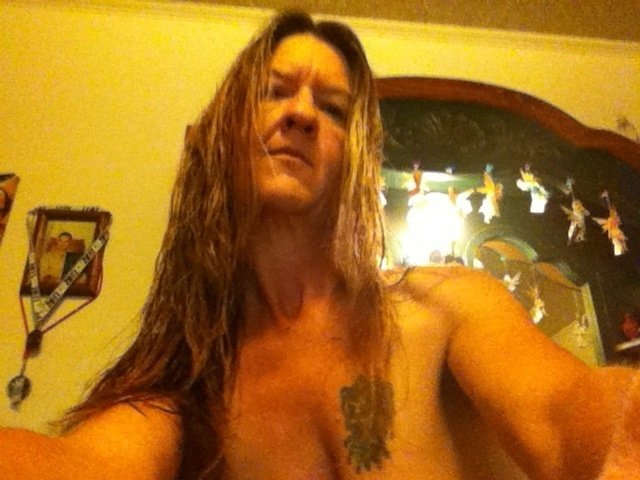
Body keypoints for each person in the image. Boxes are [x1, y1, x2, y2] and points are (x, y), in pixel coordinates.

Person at [0, 11, 637, 480]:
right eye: (274, 91)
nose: (302, 113)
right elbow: (84, 466)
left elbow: (563, 414)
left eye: (332, 108)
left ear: (352, 156)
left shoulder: (443, 309)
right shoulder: (188, 384)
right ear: (223, 134)